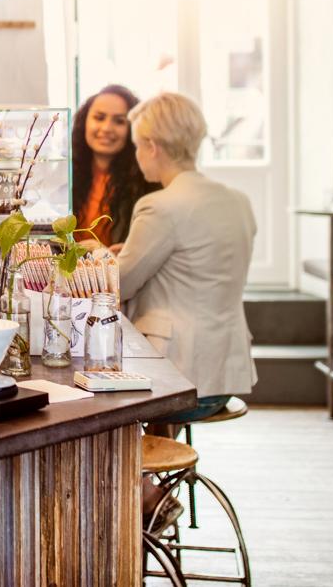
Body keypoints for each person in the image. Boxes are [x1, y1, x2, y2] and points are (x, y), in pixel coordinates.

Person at [118, 92, 257, 423]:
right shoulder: (238, 201)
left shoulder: (160, 206)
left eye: (137, 146)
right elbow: (195, 265)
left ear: (152, 146)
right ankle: (160, 472)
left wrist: (99, 259)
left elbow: (119, 285)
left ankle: (141, 474)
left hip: (175, 379)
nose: (137, 156)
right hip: (224, 378)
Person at [71, 84, 153, 247]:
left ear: (133, 129)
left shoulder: (147, 182)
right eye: (99, 117)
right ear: (84, 121)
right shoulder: (67, 174)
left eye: (119, 121)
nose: (107, 128)